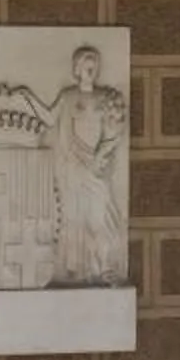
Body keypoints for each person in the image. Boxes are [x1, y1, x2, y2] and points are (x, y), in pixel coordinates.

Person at [43, 44, 128, 285]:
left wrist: (101, 156)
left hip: (97, 166)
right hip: (74, 166)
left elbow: (114, 131)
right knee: (75, 217)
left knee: (102, 216)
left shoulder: (107, 97)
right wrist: (23, 96)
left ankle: (107, 266)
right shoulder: (68, 96)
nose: (91, 69)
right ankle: (78, 269)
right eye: (86, 65)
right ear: (77, 69)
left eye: (95, 64)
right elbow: (49, 117)